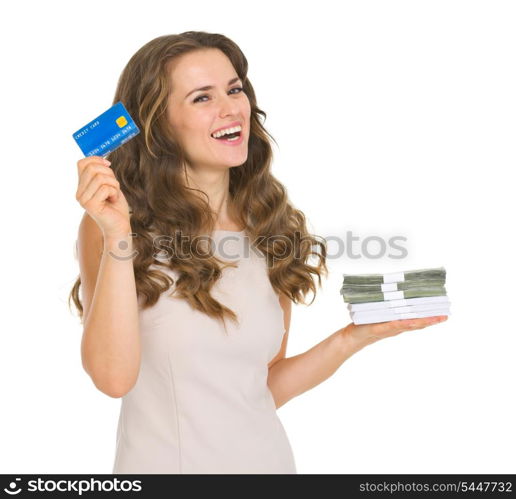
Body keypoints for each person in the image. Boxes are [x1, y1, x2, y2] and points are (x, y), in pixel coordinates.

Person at [69, 31, 447, 474]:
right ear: (159, 126)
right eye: (201, 98)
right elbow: (113, 379)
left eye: (234, 89)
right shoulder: (117, 229)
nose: (231, 108)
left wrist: (354, 337)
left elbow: (260, 387)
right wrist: (117, 235)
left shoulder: (271, 226)